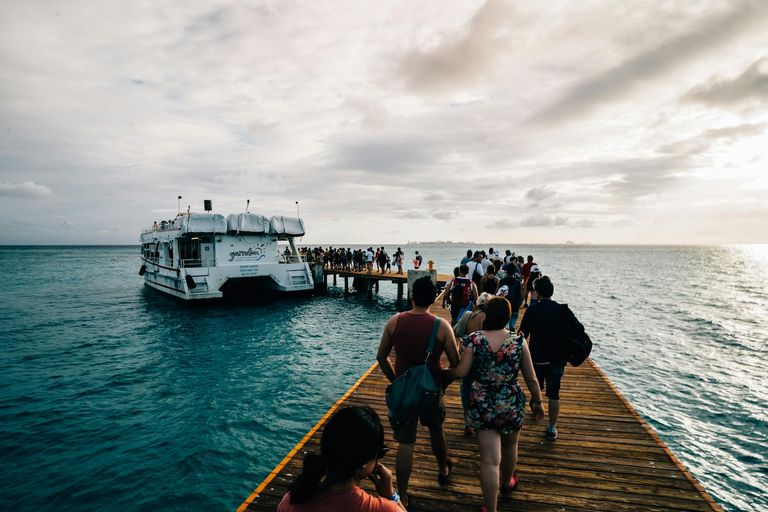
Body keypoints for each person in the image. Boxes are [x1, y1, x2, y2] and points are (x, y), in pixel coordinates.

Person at [446, 297, 545, 512]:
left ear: (487, 314)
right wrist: (537, 400)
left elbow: (461, 372)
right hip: (510, 401)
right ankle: (507, 482)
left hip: (483, 403)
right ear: (508, 317)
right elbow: (531, 377)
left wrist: (442, 373)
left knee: (490, 461)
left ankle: (491, 508)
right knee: (510, 446)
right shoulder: (518, 341)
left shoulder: (475, 340)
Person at [376, 276, 460, 507]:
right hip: (431, 390)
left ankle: (402, 494)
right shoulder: (441, 326)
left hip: (403, 391)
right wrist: (442, 383)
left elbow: (381, 358)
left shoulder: (395, 321)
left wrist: (396, 380)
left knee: (406, 443)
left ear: (412, 296)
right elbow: (455, 363)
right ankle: (443, 468)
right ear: (434, 298)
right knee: (436, 430)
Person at [277, 406, 406, 511]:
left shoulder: (290, 502)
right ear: (364, 462)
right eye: (379, 453)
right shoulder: (384, 508)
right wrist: (391, 495)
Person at [519, 275, 574, 441]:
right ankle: (551, 427)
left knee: (536, 386)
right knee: (554, 394)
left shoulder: (533, 310)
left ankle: (537, 404)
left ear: (537, 293)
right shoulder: (562, 310)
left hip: (536, 357)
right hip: (557, 358)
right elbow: (575, 330)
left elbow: (522, 335)